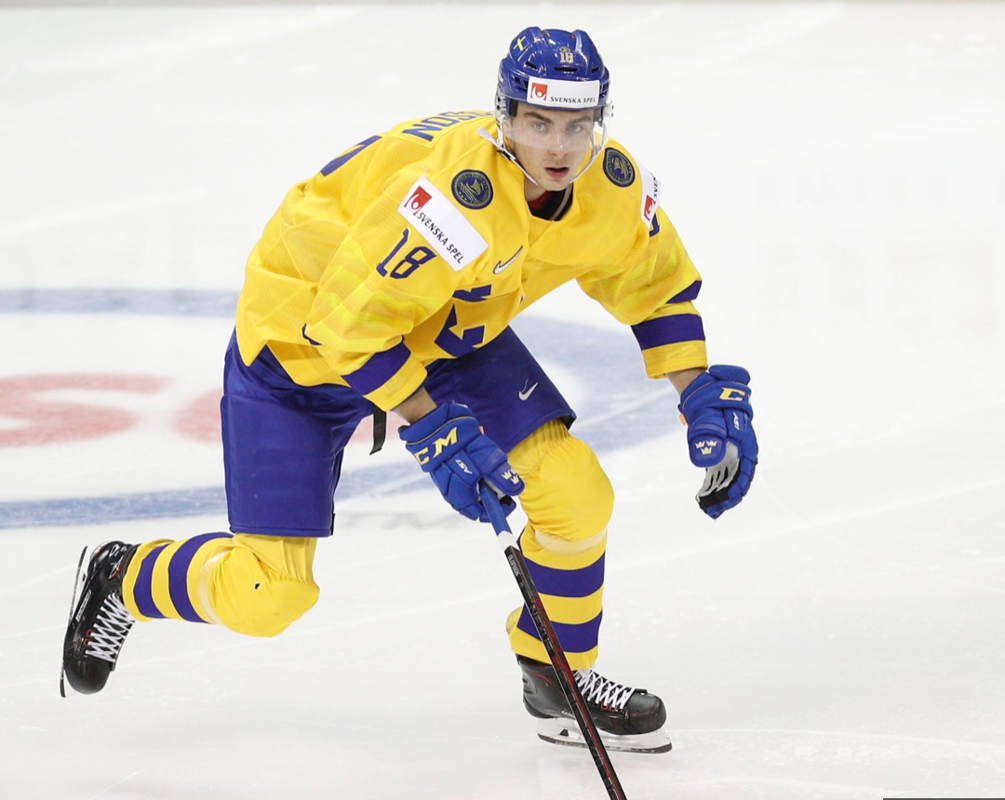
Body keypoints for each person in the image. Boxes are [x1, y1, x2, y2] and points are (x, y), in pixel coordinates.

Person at [61, 26, 757, 754]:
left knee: (576, 491)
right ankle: (122, 575)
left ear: (598, 124)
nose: (557, 148)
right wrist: (434, 430)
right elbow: (346, 329)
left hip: (436, 324)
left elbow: (653, 286)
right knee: (269, 597)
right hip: (301, 345)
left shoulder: (606, 184)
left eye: (576, 126)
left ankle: (558, 676)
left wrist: (697, 390)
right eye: (537, 123)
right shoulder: (451, 202)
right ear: (505, 117)